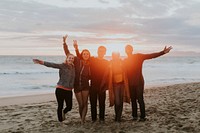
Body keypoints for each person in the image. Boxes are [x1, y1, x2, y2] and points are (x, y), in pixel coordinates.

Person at [123, 45, 172, 121]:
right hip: (130, 83)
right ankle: (134, 116)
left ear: (132, 50)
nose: (128, 50)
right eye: (126, 49)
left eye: (129, 49)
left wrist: (163, 52)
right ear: (125, 51)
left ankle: (143, 117)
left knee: (140, 99)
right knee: (133, 100)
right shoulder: (125, 61)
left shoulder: (138, 56)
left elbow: (151, 56)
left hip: (139, 82)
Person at [32, 53, 75, 122]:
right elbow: (53, 65)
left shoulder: (74, 68)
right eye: (69, 58)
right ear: (66, 59)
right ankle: (60, 121)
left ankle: (64, 112)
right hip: (60, 89)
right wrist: (42, 62)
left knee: (69, 107)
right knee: (60, 106)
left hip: (69, 90)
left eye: (72, 58)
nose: (71, 59)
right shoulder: (62, 65)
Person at [74, 44, 109, 122]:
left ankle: (102, 118)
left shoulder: (106, 62)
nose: (101, 52)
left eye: (103, 51)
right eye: (100, 51)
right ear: (97, 51)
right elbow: (81, 57)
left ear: (105, 52)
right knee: (93, 103)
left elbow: (110, 73)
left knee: (102, 103)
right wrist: (76, 49)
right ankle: (94, 119)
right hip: (93, 85)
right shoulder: (93, 59)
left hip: (102, 86)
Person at [62, 35, 91, 124]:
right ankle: (81, 117)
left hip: (86, 85)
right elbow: (68, 54)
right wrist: (64, 43)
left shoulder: (90, 64)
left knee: (85, 103)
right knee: (81, 104)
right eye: (84, 54)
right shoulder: (77, 60)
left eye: (87, 54)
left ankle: (82, 120)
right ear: (82, 55)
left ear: (89, 55)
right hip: (77, 86)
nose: (86, 55)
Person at [101, 52, 130, 122]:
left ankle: (118, 117)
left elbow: (128, 71)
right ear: (112, 56)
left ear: (119, 56)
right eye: (114, 56)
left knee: (121, 100)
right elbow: (106, 73)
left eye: (117, 56)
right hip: (115, 85)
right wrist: (102, 84)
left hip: (123, 84)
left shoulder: (122, 62)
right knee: (117, 102)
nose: (116, 57)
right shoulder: (110, 64)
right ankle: (117, 116)